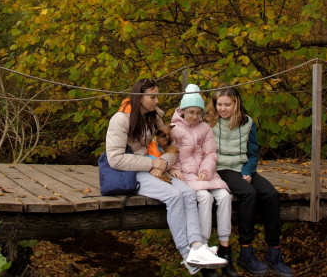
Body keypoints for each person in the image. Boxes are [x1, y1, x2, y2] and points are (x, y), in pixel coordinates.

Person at [105, 79, 226, 274]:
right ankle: (187, 255)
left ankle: (197, 246)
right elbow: (115, 159)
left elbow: (170, 148)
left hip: (157, 167)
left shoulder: (155, 119)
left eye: (157, 96)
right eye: (152, 97)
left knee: (187, 192)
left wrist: (164, 163)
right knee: (174, 195)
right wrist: (152, 163)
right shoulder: (120, 120)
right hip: (131, 172)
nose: (157, 101)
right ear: (139, 97)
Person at [208, 87, 294, 277]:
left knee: (271, 194)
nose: (223, 109)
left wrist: (248, 171)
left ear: (236, 104)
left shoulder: (248, 123)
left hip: (242, 167)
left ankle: (274, 250)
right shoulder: (209, 122)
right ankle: (246, 250)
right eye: (219, 104)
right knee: (248, 193)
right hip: (221, 168)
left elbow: (252, 153)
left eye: (227, 105)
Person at [169, 84, 238, 277]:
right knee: (204, 198)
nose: (195, 117)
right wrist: (174, 169)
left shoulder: (205, 128)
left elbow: (211, 153)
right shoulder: (173, 129)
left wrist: (206, 170)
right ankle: (204, 247)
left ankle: (225, 247)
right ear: (182, 110)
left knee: (224, 196)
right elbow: (168, 152)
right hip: (185, 174)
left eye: (199, 113)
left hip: (204, 174)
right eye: (191, 112)